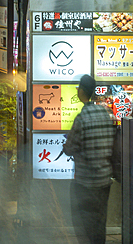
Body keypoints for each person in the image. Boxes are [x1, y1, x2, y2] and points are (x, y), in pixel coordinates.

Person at [63, 74, 114, 244]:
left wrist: (68, 140)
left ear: (82, 91)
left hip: (86, 183)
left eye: (78, 88)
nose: (77, 91)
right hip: (105, 181)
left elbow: (69, 149)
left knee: (84, 225)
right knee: (100, 221)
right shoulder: (106, 113)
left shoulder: (81, 118)